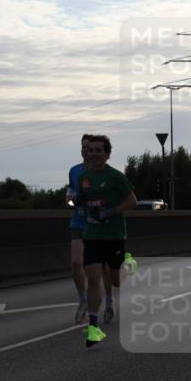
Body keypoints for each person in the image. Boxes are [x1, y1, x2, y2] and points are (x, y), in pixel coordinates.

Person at [76, 134, 138, 347]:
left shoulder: (115, 177)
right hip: (92, 235)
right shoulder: (82, 177)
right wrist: (78, 202)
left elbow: (132, 201)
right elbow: (81, 201)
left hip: (113, 235)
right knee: (93, 279)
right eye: (91, 150)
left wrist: (110, 212)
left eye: (98, 150)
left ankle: (129, 265)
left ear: (107, 154)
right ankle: (94, 328)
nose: (93, 154)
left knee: (114, 281)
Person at [68, 135, 114, 325]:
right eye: (83, 147)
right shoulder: (75, 171)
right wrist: (72, 201)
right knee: (76, 263)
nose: (86, 150)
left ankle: (109, 302)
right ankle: (83, 301)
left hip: (97, 224)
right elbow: (69, 194)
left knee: (103, 267)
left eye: (89, 147)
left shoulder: (105, 172)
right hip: (79, 221)